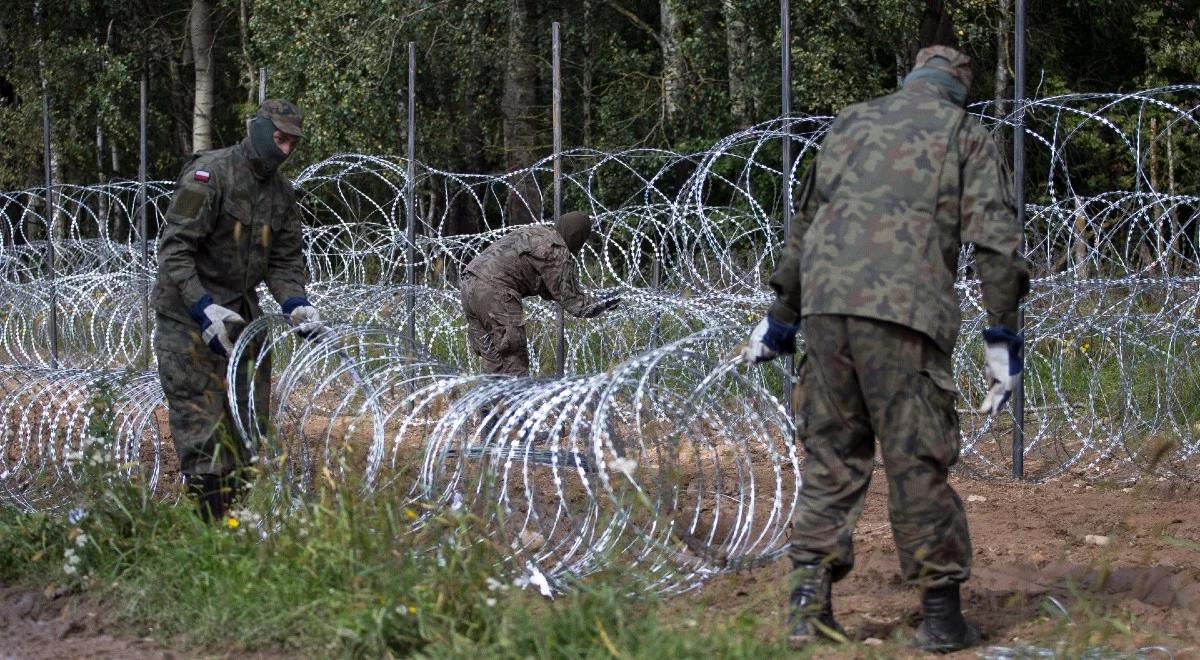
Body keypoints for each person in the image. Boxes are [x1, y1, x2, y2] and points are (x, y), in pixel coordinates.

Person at [743, 46, 1029, 653]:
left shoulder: (849, 122)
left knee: (832, 458)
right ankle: (941, 619)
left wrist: (781, 315)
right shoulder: (964, 131)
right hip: (903, 317)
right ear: (959, 89)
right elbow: (997, 243)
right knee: (915, 461)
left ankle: (807, 607)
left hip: (823, 312)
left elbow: (806, 225)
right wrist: (1002, 331)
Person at [153, 99, 322, 521]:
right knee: (203, 426)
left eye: (293, 143)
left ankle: (236, 518)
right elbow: (174, 251)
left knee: (246, 427)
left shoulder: (282, 194)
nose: (285, 150)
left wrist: (295, 303)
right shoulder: (210, 175)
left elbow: (284, 260)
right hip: (189, 319)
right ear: (260, 131)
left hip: (241, 322)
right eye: (279, 139)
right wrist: (202, 307)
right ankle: (210, 529)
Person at [461, 211, 620, 377]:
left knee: (494, 363)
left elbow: (547, 287)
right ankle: (516, 402)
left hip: (468, 284)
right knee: (513, 363)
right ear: (578, 236)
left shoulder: (537, 232)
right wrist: (605, 302)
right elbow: (574, 303)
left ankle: (487, 403)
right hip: (495, 293)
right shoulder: (556, 250)